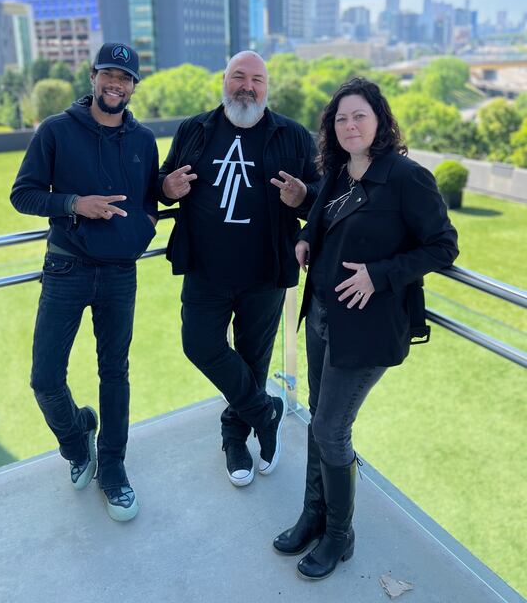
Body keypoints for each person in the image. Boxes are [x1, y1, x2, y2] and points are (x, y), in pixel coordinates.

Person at [272, 76, 459, 580]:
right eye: (341, 118)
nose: (350, 125)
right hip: (324, 318)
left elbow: (443, 246)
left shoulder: (405, 177)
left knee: (332, 429)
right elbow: (322, 213)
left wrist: (381, 275)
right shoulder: (337, 172)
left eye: (360, 115)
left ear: (379, 120)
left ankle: (340, 534)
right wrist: (308, 237)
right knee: (318, 420)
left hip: (370, 328)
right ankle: (314, 514)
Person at [158, 51, 320, 487]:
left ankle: (235, 439)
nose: (247, 86)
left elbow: (323, 196)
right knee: (199, 344)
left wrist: (303, 196)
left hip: (264, 272)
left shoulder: (293, 135)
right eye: (238, 77)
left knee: (252, 362)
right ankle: (266, 412)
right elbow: (163, 180)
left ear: (268, 88)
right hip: (205, 269)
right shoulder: (195, 129)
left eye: (257, 79)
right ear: (224, 81)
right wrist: (166, 187)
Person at [10, 42, 158, 522]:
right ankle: (78, 442)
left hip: (120, 273)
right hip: (66, 269)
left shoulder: (143, 141)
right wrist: (75, 204)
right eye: (108, 74)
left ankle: (113, 468)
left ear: (133, 86)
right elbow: (24, 195)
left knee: (114, 373)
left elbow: (149, 198)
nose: (116, 84)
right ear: (93, 77)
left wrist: (148, 223)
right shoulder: (56, 131)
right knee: (46, 377)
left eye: (126, 78)